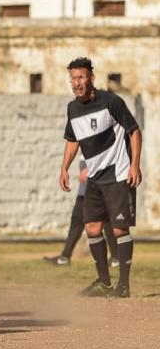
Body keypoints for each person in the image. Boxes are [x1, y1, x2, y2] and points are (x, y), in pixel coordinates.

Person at [59, 57, 142, 298]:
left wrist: (135, 165)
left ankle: (123, 285)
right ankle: (103, 282)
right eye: (74, 78)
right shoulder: (72, 108)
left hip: (118, 174)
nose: (77, 83)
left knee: (118, 229)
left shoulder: (111, 102)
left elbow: (134, 131)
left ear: (91, 78)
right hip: (94, 178)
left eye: (81, 77)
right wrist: (64, 168)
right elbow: (72, 140)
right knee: (92, 228)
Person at [44, 159, 119, 267]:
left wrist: (91, 170)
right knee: (77, 222)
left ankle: (115, 258)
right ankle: (65, 257)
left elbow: (107, 154)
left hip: (97, 190)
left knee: (106, 222)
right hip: (85, 191)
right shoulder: (80, 143)